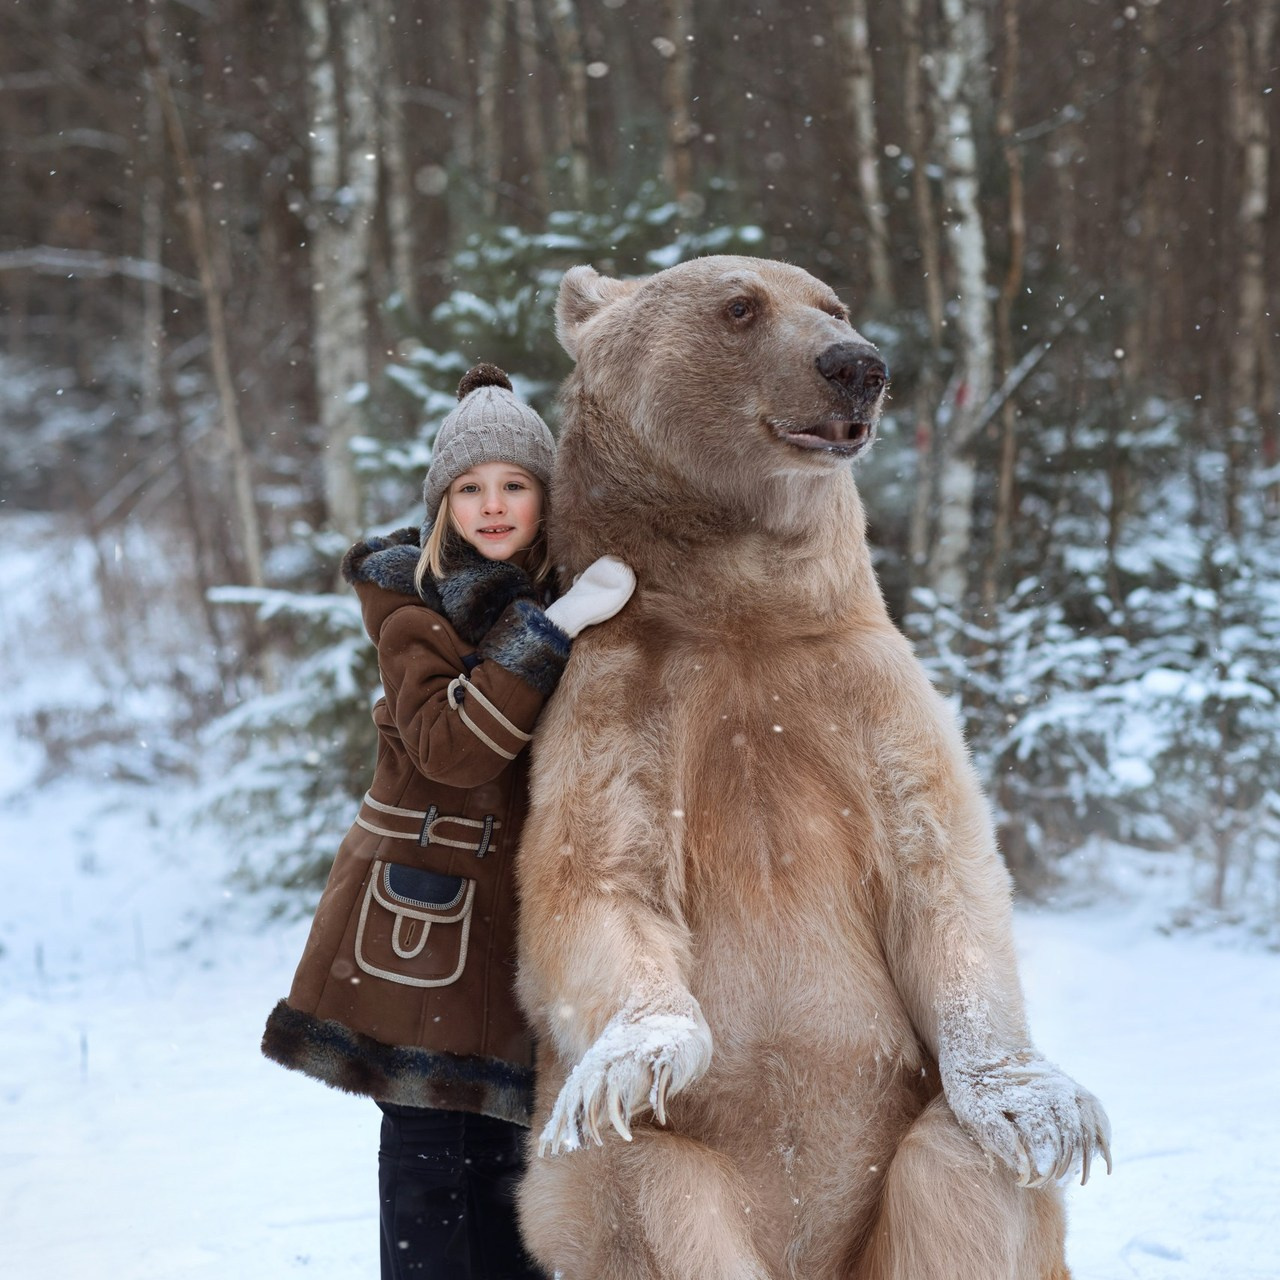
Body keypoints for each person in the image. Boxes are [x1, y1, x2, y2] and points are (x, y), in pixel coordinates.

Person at [262, 363, 634, 1280]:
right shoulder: (410, 606)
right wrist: (553, 629)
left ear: (548, 498)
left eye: (515, 485)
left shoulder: (566, 592)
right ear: (442, 505)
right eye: (470, 488)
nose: (493, 505)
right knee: (431, 1162)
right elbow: (453, 748)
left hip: (523, 922)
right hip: (424, 923)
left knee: (518, 1167)